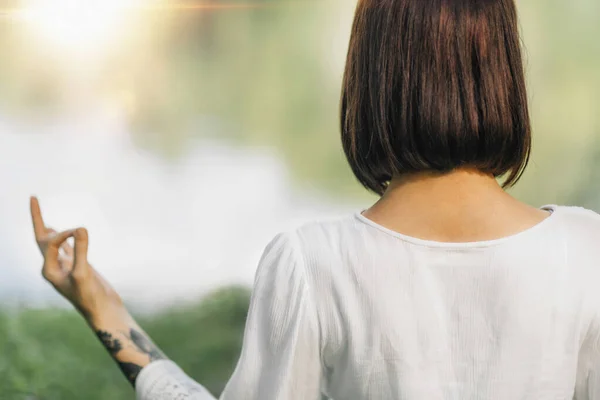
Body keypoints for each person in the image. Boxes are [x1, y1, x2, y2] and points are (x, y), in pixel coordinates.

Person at [29, 0, 600, 399]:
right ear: (501, 74)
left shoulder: (313, 263)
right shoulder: (586, 251)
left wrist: (104, 311)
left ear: (371, 78)